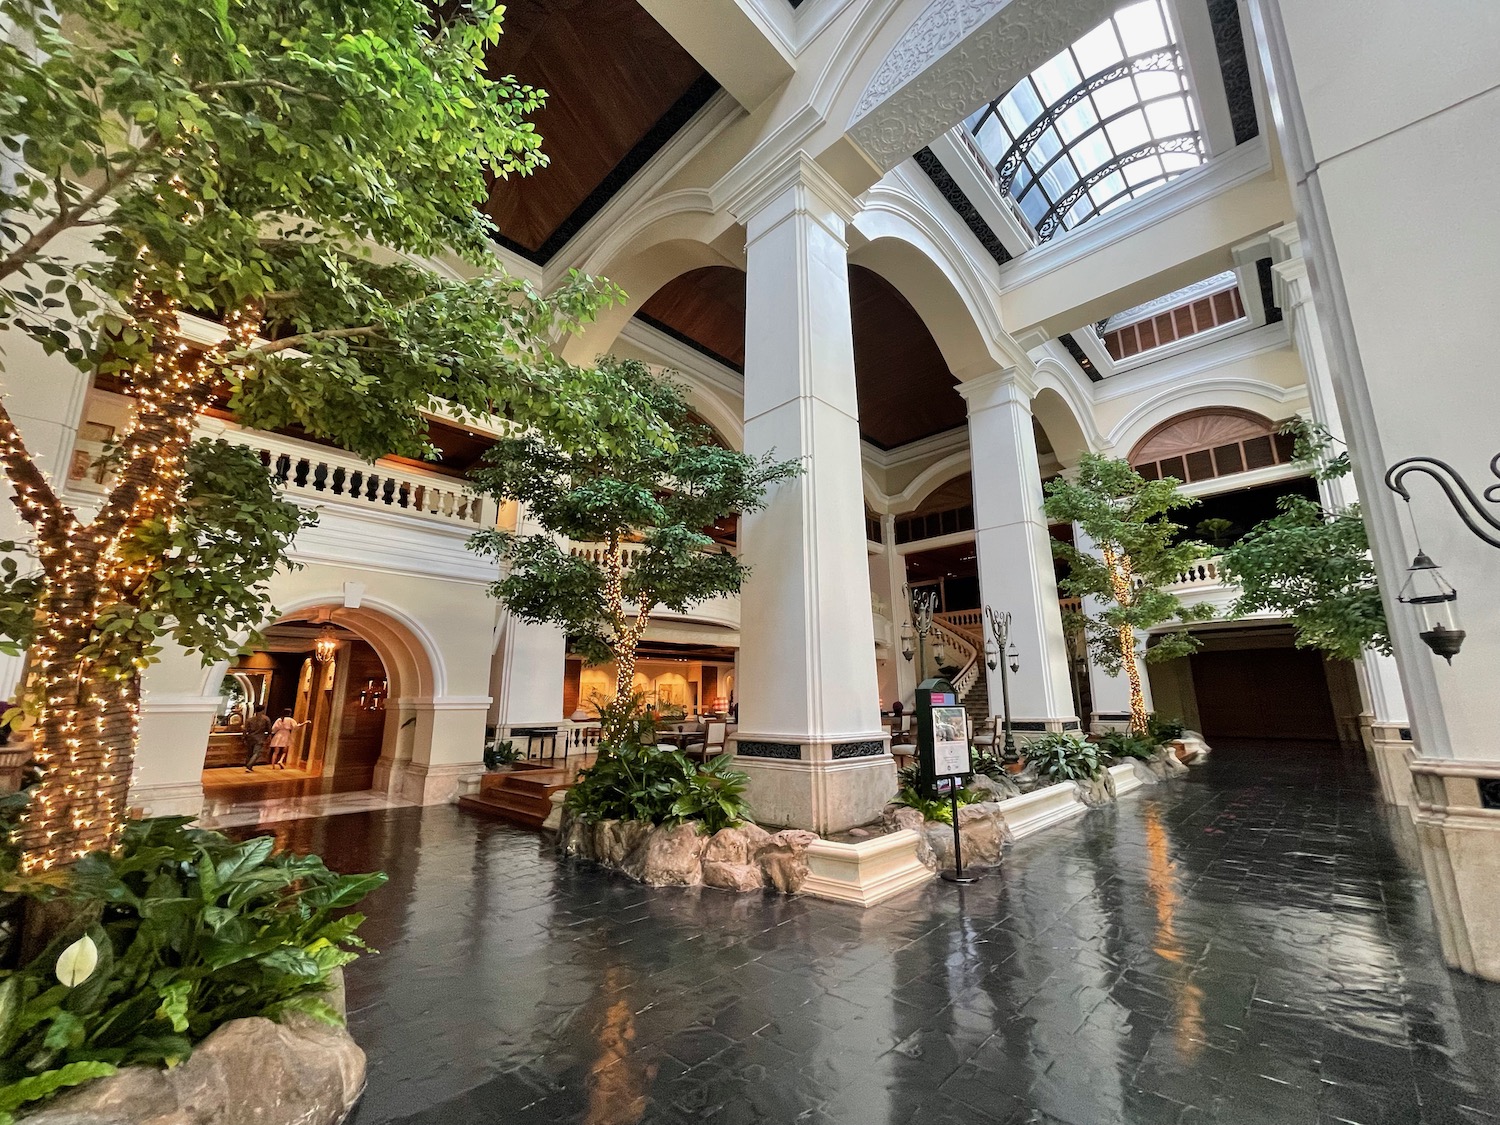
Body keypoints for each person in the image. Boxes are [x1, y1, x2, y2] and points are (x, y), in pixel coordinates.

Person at [243, 707, 272, 772]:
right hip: (260, 738)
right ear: (262, 710)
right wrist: (268, 737)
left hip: (250, 737)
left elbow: (245, 730)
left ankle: (248, 766)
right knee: (256, 753)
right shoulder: (266, 719)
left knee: (249, 753)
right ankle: (249, 766)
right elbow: (269, 730)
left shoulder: (249, 719)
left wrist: (244, 738)